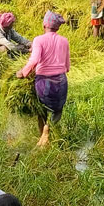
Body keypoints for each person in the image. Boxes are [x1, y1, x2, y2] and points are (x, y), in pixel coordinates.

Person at [17, 11, 70, 147]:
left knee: (42, 108)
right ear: (57, 27)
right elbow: (67, 66)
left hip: (44, 83)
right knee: (57, 109)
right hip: (61, 82)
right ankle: (50, 129)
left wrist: (23, 72)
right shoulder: (64, 41)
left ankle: (44, 133)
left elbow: (34, 60)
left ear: (44, 25)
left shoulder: (39, 40)